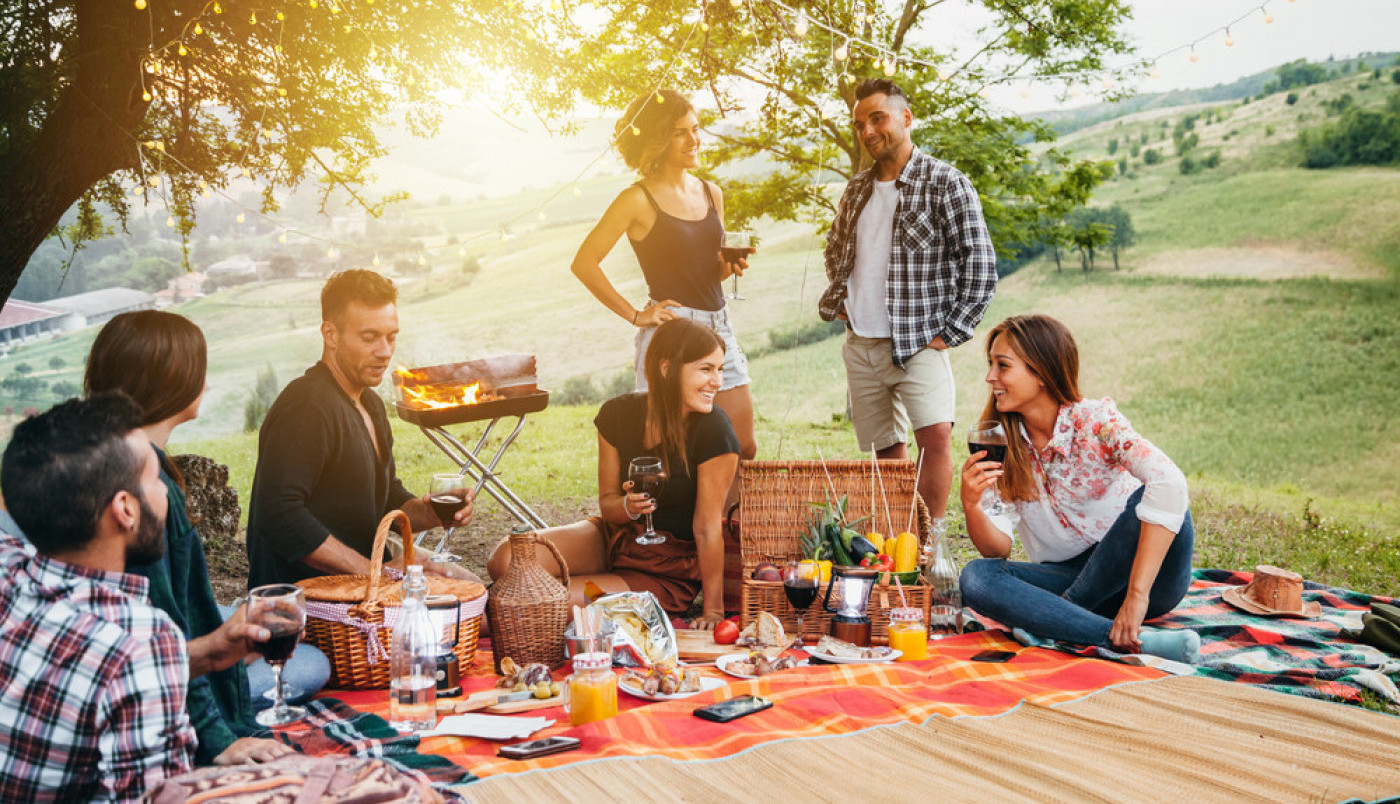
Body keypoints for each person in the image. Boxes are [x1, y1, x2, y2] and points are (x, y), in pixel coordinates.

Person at [0, 395, 271, 802]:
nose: (166, 494)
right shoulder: (142, 642)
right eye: (155, 478)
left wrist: (211, 653)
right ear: (125, 509)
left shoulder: (9, 570)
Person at [83, 310, 309, 764]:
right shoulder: (149, 490)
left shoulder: (105, 458)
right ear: (173, 379)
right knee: (312, 663)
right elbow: (164, 627)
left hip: (138, 656)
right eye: (199, 368)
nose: (205, 382)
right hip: (161, 679)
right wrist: (219, 741)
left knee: (270, 634)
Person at [958, 314, 1200, 664]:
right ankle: (1126, 640)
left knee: (1151, 496)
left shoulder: (1096, 422)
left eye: (1002, 365)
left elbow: (1171, 481)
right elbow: (998, 548)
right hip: (1066, 576)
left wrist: (1136, 595)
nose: (990, 377)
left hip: (1145, 577)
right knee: (977, 577)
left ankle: (1059, 618)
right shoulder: (1002, 443)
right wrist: (971, 506)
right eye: (990, 364)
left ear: (1040, 372)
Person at [818, 78, 998, 531]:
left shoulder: (945, 182)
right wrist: (840, 297)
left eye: (877, 118)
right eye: (860, 123)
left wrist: (951, 331)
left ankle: (930, 540)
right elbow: (833, 247)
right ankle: (900, 539)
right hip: (861, 345)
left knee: (935, 438)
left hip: (918, 341)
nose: (867, 130)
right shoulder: (856, 189)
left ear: (905, 117)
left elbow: (979, 263)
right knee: (886, 448)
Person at [486, 319, 740, 626]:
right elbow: (608, 504)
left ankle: (484, 614)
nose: (717, 381)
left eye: (720, 369)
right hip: (615, 539)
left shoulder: (715, 430)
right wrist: (626, 507)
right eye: (706, 369)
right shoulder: (617, 416)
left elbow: (707, 526)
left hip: (665, 569)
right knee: (505, 559)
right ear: (667, 368)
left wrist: (713, 612)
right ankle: (501, 606)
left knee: (539, 604)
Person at [246, 269, 477, 589]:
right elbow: (278, 515)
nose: (384, 351)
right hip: (312, 593)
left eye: (391, 336)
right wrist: (375, 573)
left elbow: (384, 500)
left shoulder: (370, 403)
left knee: (473, 588)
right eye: (369, 338)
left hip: (365, 574)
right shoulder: (307, 406)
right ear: (331, 334)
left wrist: (432, 513)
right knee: (475, 612)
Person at [571, 88, 757, 462]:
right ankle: (678, 521)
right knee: (672, 450)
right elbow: (584, 262)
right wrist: (637, 315)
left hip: (718, 326)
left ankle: (727, 522)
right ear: (657, 139)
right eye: (680, 132)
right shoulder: (637, 199)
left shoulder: (711, 192)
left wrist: (730, 265)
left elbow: (708, 273)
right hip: (671, 333)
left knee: (741, 446)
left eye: (696, 128)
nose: (694, 140)